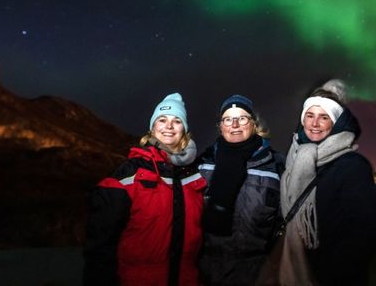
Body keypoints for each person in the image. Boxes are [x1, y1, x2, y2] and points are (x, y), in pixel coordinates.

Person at [83, 93, 206, 286]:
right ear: (152, 127)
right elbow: (100, 246)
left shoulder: (194, 177)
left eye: (177, 121)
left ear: (184, 129)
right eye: (162, 120)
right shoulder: (128, 174)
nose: (169, 126)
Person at [278, 80, 376, 286]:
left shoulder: (352, 165)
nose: (314, 124)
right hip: (296, 270)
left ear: (335, 123)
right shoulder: (295, 159)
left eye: (324, 117)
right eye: (310, 116)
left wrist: (334, 272)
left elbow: (366, 230)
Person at [198, 94, 284, 285]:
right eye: (228, 119)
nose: (235, 124)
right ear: (221, 126)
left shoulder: (275, 165)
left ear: (254, 124)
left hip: (257, 272)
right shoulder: (203, 163)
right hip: (208, 271)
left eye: (242, 118)